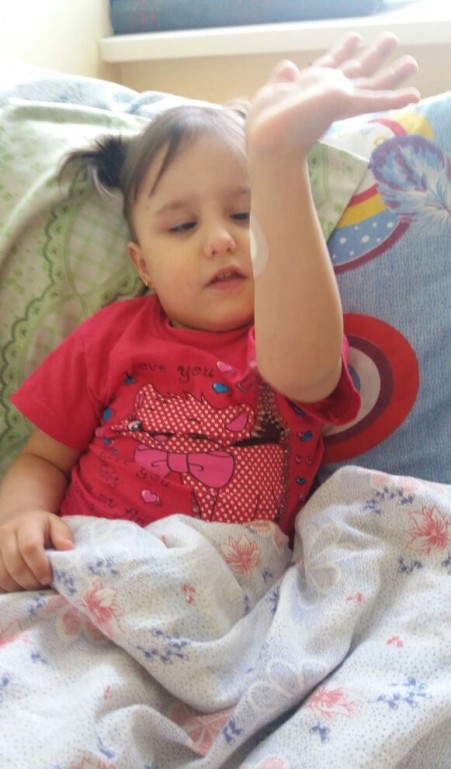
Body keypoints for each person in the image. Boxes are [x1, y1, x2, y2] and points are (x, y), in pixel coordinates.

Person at [0, 33, 419, 593]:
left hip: (232, 588)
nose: (220, 240)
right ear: (142, 265)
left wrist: (279, 159)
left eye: (245, 215)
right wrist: (20, 520)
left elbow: (307, 374)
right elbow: (43, 459)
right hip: (93, 569)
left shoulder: (286, 329)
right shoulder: (107, 338)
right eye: (182, 226)